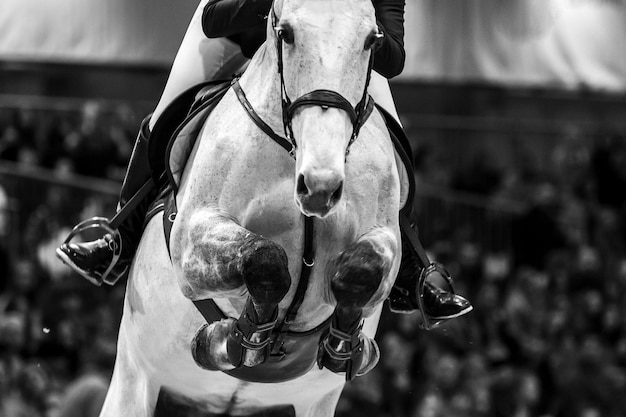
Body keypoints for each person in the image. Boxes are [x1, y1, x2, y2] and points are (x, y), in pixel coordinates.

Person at [57, 0, 472, 323]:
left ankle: (410, 269)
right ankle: (119, 238)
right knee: (166, 115)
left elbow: (394, 58)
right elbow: (215, 18)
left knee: (396, 140)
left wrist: (360, 29)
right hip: (240, 36)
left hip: (332, 52)